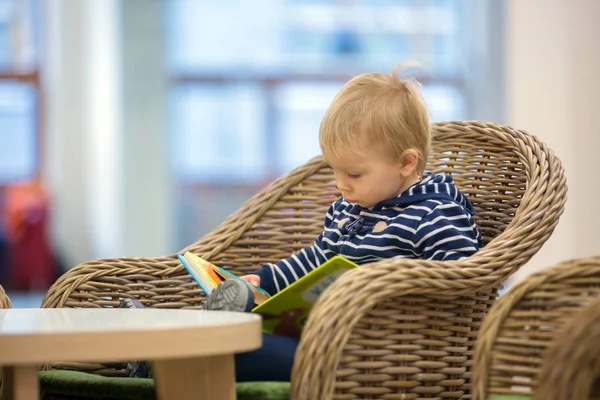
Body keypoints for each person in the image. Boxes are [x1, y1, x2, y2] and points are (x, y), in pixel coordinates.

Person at [125, 65, 482, 382]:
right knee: (245, 318)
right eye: (334, 171)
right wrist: (264, 280)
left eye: (354, 173)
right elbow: (314, 260)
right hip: (313, 330)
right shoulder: (351, 208)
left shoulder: (436, 214)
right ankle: (173, 331)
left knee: (242, 346)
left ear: (406, 163)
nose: (340, 185)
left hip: (367, 353)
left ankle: (158, 357)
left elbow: (464, 279)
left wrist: (388, 284)